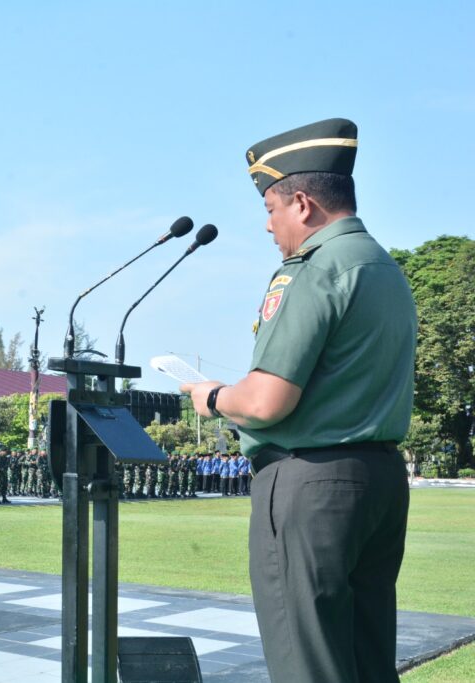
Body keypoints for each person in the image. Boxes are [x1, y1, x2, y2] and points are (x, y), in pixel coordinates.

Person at [181, 118, 415, 683]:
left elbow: (265, 402)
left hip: (311, 483)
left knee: (307, 664)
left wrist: (211, 396)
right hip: (378, 478)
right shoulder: (383, 267)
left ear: (303, 204)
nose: (268, 225)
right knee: (363, 661)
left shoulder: (313, 270)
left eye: (271, 208)